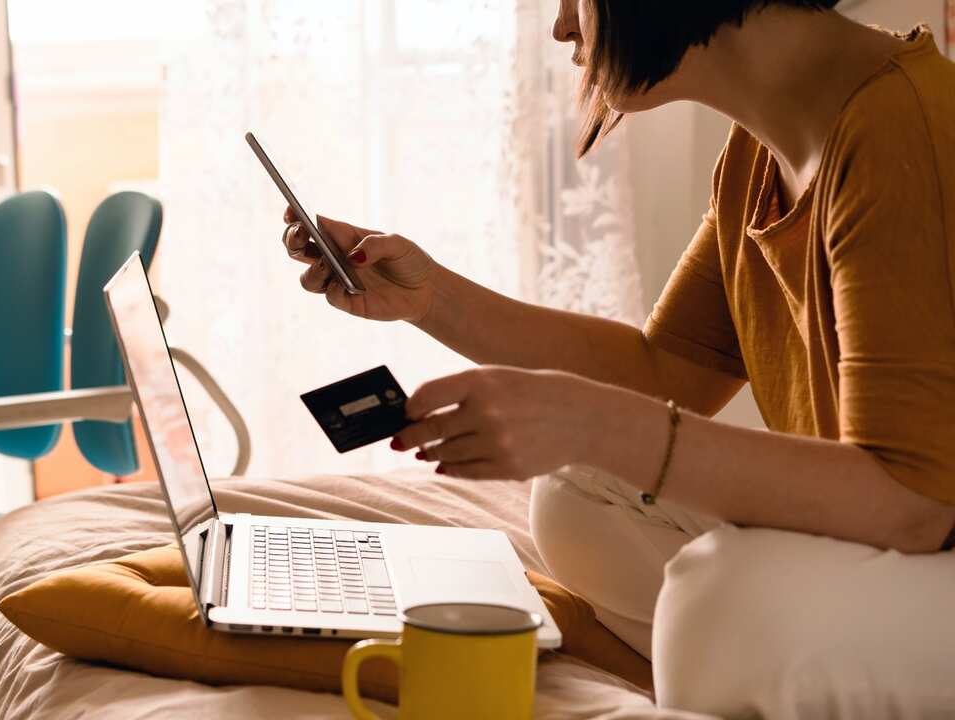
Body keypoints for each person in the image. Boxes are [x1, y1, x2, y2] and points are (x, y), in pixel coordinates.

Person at [280, 1, 955, 716]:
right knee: (577, 488)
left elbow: (914, 501)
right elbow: (666, 372)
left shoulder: (902, 128)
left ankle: (739, 651)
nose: (563, 26)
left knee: (718, 599)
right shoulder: (762, 148)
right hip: (901, 527)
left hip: (929, 536)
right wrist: (429, 299)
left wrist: (599, 423)